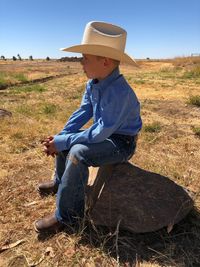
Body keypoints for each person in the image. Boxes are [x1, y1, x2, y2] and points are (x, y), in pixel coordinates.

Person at [34, 21, 142, 233]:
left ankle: (67, 217)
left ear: (105, 61)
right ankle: (60, 183)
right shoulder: (93, 83)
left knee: (78, 151)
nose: (81, 62)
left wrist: (64, 141)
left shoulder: (119, 92)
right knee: (68, 138)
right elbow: (84, 111)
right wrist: (61, 136)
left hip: (121, 143)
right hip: (107, 134)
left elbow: (102, 131)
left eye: (85, 58)